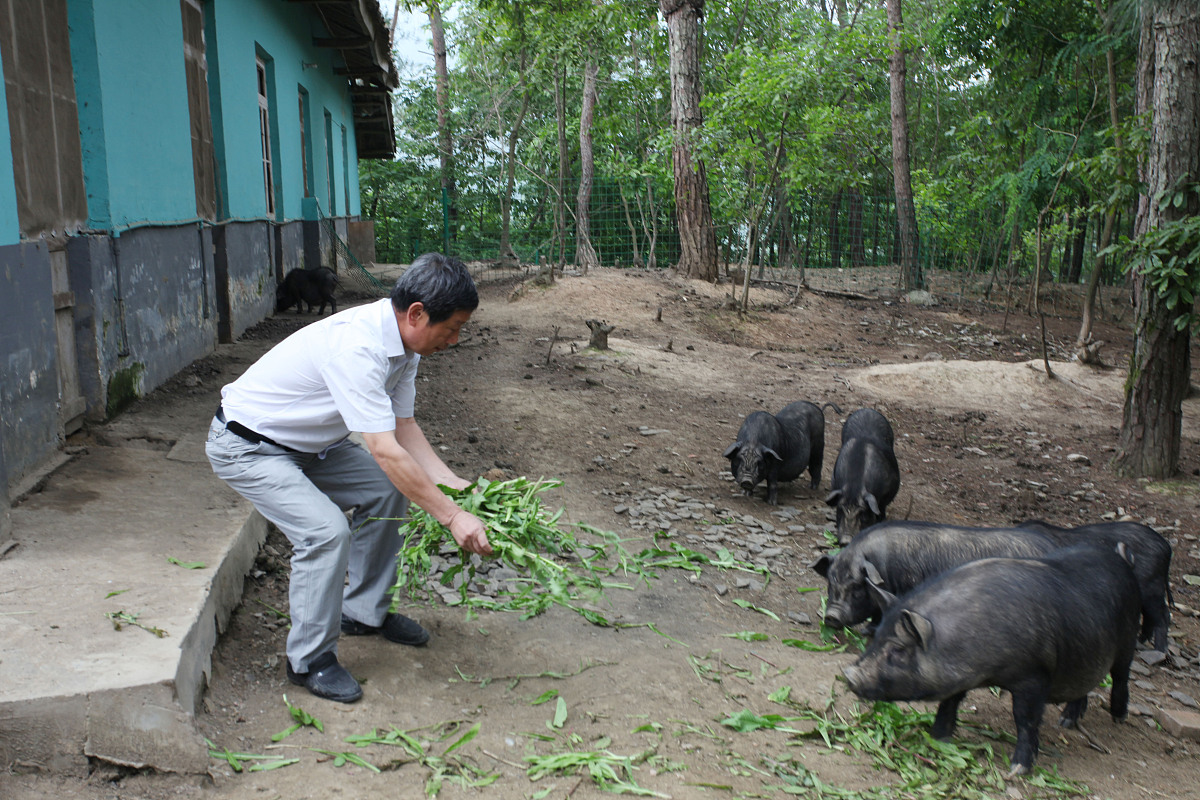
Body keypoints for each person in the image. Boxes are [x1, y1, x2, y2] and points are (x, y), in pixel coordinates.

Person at [205, 253, 491, 703]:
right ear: (417, 313)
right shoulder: (359, 346)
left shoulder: (406, 345)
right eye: (451, 327)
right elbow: (383, 449)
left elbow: (404, 429)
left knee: (385, 489)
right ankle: (309, 661)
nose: (454, 340)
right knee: (325, 532)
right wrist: (452, 518)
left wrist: (459, 490)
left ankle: (363, 612)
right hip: (249, 445)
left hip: (310, 445)